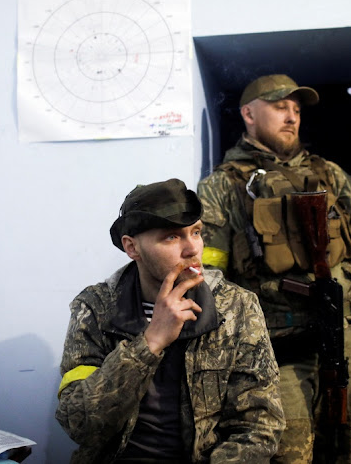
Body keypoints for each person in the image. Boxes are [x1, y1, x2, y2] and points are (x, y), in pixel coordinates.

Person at [197, 74, 351, 463]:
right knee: (290, 452)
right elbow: (211, 281)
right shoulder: (222, 187)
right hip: (279, 347)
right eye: (280, 107)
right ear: (248, 114)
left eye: (296, 110)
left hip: (348, 337)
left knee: (350, 447)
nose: (291, 117)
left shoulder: (332, 175)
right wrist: (244, 347)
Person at [55, 178, 285, 464]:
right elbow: (80, 425)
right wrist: (150, 343)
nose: (192, 249)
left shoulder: (236, 306)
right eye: (172, 237)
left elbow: (259, 427)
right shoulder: (95, 308)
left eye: (196, 232)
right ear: (132, 247)